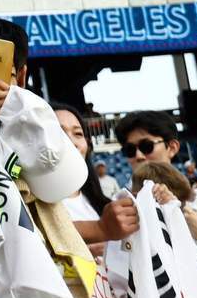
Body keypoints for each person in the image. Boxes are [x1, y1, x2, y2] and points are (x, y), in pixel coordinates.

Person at [54, 104, 137, 251]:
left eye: (78, 134)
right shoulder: (26, 205)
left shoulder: (102, 206)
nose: (72, 142)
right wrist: (98, 231)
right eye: (58, 132)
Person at [115, 110, 182, 171]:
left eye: (146, 146)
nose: (139, 156)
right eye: (130, 150)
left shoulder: (187, 183)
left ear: (172, 148)